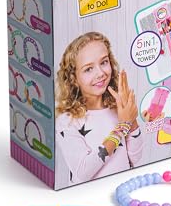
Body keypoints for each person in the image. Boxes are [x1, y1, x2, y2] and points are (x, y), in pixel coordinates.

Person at [56, 32, 142, 183]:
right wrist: (123, 126)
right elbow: (83, 172)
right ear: (74, 78)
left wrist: (131, 118)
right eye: (88, 69)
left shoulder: (117, 109)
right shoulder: (67, 121)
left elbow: (135, 159)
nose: (101, 73)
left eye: (104, 62)